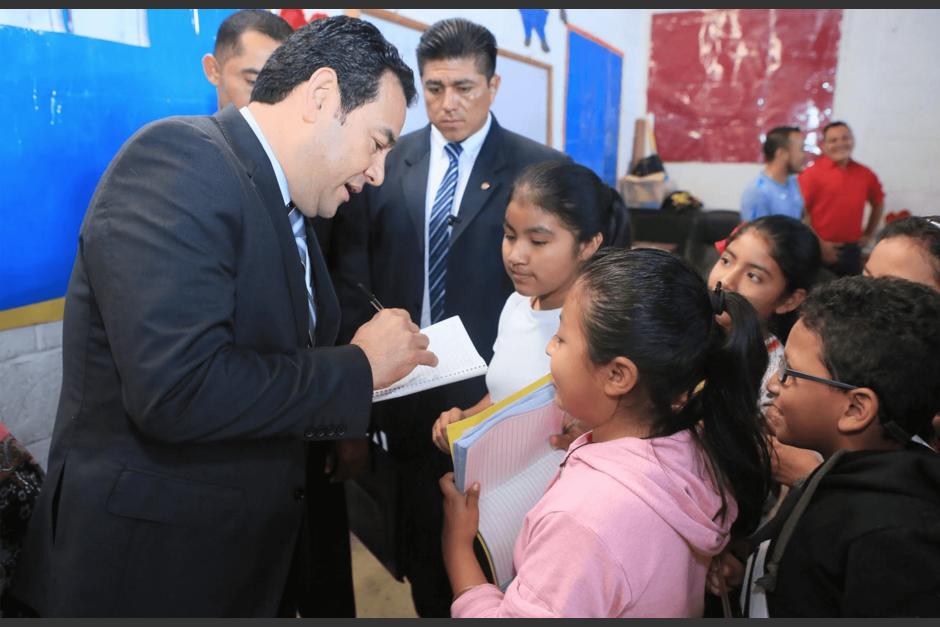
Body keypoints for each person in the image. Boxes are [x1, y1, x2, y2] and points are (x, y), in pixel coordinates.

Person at [10, 16, 437, 617]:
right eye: (377, 142)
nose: (377, 174)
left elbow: (270, 363)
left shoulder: (289, 208)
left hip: (242, 559)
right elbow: (177, 389)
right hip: (154, 573)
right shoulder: (179, 162)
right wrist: (359, 368)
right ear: (321, 97)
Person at [328, 18, 567, 617]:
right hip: (407, 391)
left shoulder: (537, 172)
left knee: (502, 554)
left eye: (464, 87)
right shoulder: (383, 162)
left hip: (502, 398)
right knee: (422, 551)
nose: (448, 103)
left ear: (493, 85)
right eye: (434, 88)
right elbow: (354, 275)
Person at [440, 248, 773, 617]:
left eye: (562, 337)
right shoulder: (694, 443)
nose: (551, 347)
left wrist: (458, 552)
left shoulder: (582, 523)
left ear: (618, 375)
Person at [741, 276, 940, 617]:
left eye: (790, 372)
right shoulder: (838, 471)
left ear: (855, 409)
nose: (774, 383)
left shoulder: (895, 540)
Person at [430, 161, 630, 453]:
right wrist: (466, 420)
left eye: (537, 241)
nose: (516, 256)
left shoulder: (606, 328)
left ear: (588, 245)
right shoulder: (517, 304)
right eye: (510, 236)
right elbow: (505, 397)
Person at [799, 121, 885, 276]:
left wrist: (868, 234)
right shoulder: (811, 174)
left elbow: (878, 202)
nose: (840, 144)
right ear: (823, 145)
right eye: (833, 140)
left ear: (852, 140)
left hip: (852, 251)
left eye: (845, 138)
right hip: (819, 248)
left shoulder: (865, 174)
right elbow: (801, 214)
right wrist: (820, 244)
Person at [201, 9, 293, 111]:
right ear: (213, 70)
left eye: (282, 87)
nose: (270, 100)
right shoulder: (184, 126)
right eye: (253, 82)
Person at [739, 126, 805, 222]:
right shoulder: (757, 191)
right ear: (781, 153)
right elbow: (755, 235)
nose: (803, 156)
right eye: (801, 150)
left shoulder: (792, 181)